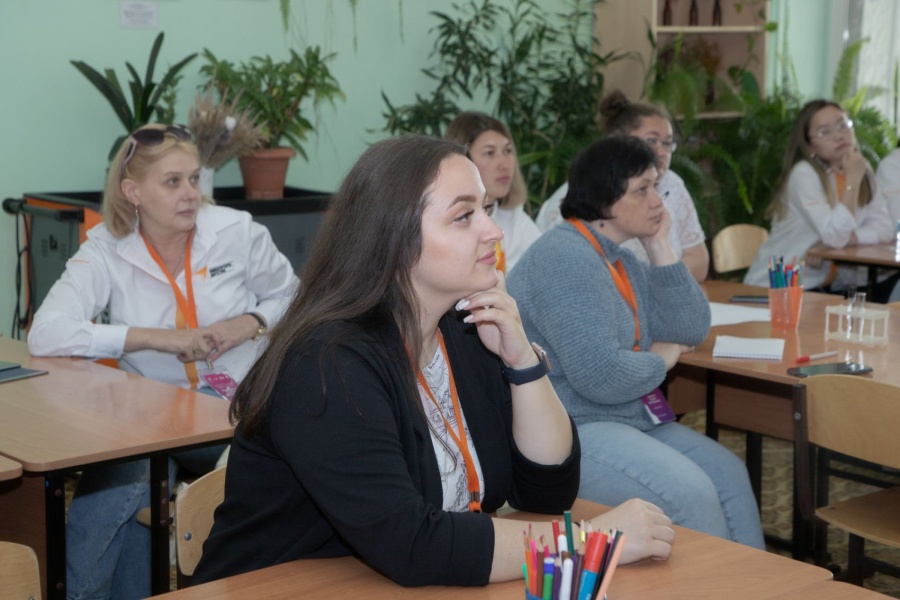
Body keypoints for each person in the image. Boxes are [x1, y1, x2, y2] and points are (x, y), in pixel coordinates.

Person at [193, 135, 675, 587]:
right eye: (464, 216)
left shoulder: (464, 330)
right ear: (395, 239)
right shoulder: (325, 364)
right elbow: (410, 544)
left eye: (486, 209)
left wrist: (522, 359)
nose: (492, 231)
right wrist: (589, 542)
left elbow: (546, 493)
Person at [27, 123, 298, 599]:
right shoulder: (106, 249)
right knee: (123, 481)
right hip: (152, 414)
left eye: (193, 179)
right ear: (133, 192)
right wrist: (151, 339)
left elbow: (295, 296)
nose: (190, 194)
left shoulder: (235, 231)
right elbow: (46, 332)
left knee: (125, 478)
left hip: (235, 414)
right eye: (173, 182)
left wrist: (250, 322)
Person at [508, 136, 765, 549]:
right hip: (571, 429)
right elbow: (601, 377)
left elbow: (690, 327)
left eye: (655, 187)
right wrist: (661, 360)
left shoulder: (620, 257)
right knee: (691, 494)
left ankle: (760, 584)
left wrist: (659, 246)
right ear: (605, 198)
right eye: (642, 190)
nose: (657, 202)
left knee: (728, 472)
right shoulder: (564, 257)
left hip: (624, 416)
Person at [536, 90, 709, 283]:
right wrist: (656, 286)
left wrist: (660, 285)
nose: (661, 152)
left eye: (667, 144)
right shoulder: (577, 199)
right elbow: (567, 276)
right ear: (615, 141)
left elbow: (699, 261)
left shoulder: (672, 183)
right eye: (652, 141)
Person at [745, 100, 896, 301]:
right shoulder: (804, 174)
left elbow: (886, 228)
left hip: (822, 286)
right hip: (777, 288)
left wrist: (843, 241)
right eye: (825, 132)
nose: (839, 135)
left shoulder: (861, 168)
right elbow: (835, 236)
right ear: (810, 146)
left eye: (843, 125)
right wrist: (852, 181)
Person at [445, 111, 541, 273]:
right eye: (489, 153)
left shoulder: (515, 219)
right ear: (462, 161)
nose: (504, 164)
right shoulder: (447, 223)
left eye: (507, 151)